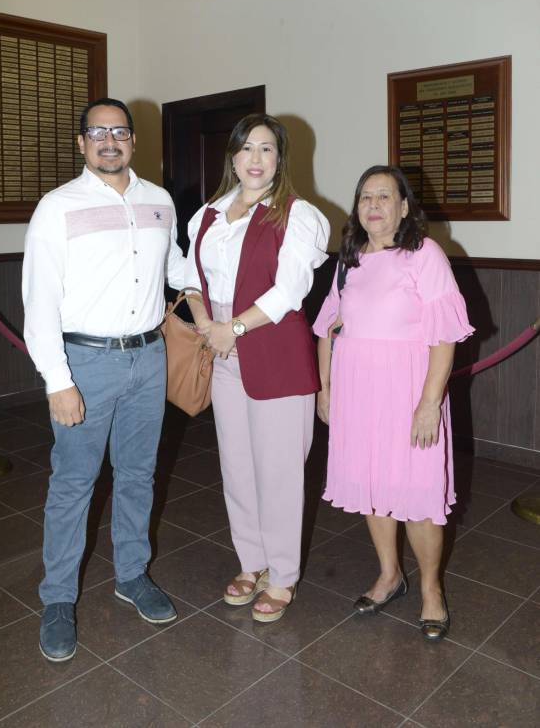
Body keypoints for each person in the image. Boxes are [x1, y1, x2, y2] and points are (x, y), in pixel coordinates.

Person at [23, 97, 186, 662]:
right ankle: (58, 600)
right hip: (85, 364)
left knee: (139, 474)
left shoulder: (159, 201)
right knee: (73, 483)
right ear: (81, 143)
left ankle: (132, 575)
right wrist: (57, 381)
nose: (109, 141)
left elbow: (178, 271)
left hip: (148, 357)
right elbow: (39, 302)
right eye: (98, 132)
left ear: (134, 141)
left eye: (119, 131)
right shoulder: (57, 207)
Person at [314, 165, 474, 641]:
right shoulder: (349, 259)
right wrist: (325, 389)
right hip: (357, 391)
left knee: (419, 496)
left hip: (409, 392)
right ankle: (389, 574)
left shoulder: (424, 254)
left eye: (385, 197)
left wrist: (429, 404)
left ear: (404, 208)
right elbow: (329, 328)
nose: (374, 206)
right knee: (372, 486)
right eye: (365, 197)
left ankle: (431, 588)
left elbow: (444, 337)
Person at [185, 114, 330, 622]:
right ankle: (252, 562)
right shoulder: (207, 215)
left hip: (272, 348)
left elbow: (290, 290)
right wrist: (206, 322)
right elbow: (188, 276)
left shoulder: (299, 215)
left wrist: (234, 329)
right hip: (222, 347)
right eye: (246, 148)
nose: (255, 158)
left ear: (280, 158)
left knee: (280, 470)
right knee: (237, 466)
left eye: (266, 149)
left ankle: (284, 575)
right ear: (232, 156)